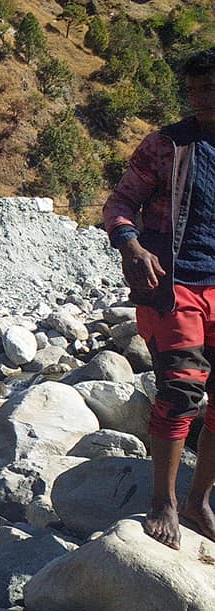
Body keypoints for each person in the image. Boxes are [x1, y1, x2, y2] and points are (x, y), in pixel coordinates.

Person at [102, 47, 215, 549]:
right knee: (181, 389)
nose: (200, 99)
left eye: (209, 88)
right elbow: (121, 203)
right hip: (174, 284)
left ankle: (199, 500)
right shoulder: (166, 146)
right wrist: (131, 244)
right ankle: (163, 500)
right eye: (194, 90)